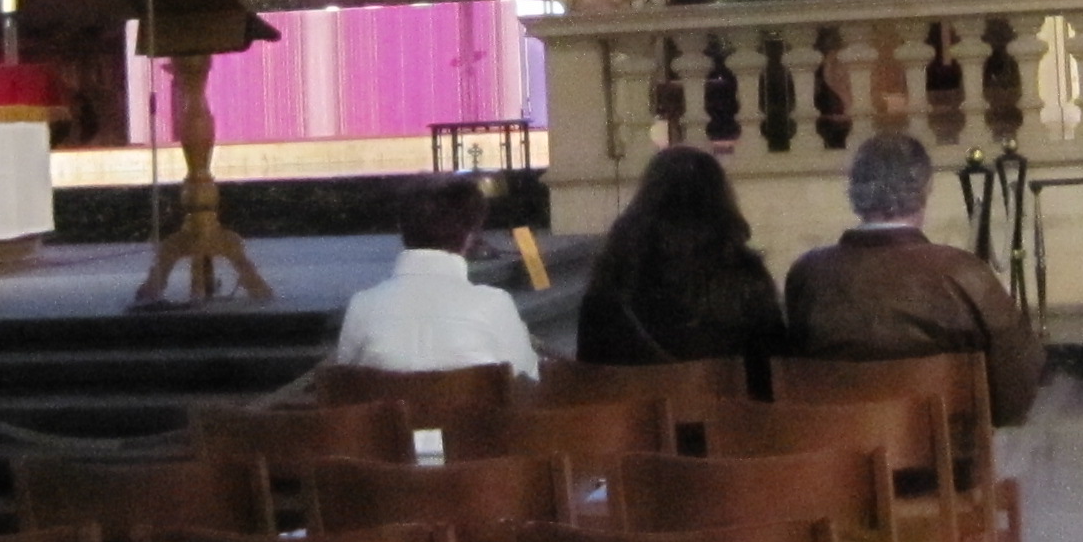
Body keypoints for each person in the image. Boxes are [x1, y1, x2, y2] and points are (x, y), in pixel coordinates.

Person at [783, 131, 1042, 426]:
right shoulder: (962, 273)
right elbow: (1015, 387)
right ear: (926, 187)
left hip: (836, 447)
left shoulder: (808, 273)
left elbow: (797, 375)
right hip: (943, 447)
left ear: (854, 189)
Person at [577, 143, 786, 375]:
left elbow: (590, 374)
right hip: (724, 398)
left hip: (631, 398)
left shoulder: (614, 278)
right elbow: (774, 372)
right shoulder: (746, 279)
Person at [332, 175, 540, 385]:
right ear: (471, 236)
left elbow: (341, 384)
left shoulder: (363, 305)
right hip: (472, 407)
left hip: (388, 407)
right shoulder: (495, 304)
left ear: (401, 227)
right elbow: (529, 379)